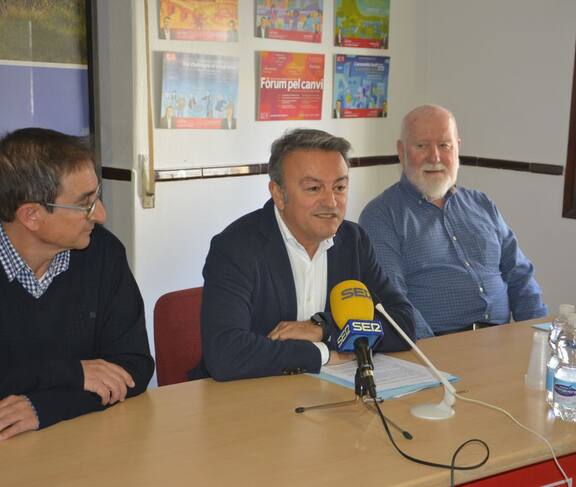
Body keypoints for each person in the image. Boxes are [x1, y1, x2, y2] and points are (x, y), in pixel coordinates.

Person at [190, 129, 416, 381]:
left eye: (339, 187)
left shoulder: (353, 241)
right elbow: (225, 353)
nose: (331, 202)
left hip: (329, 391)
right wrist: (323, 354)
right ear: (278, 194)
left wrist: (324, 329)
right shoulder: (236, 247)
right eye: (314, 188)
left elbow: (403, 324)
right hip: (249, 392)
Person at [0, 128, 154, 440]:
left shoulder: (104, 253)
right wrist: (75, 373)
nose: (101, 215)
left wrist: (47, 406)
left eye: (97, 196)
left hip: (87, 438)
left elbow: (134, 368)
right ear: (31, 215)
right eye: (85, 204)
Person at [359, 105, 547, 337]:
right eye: (422, 146)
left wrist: (539, 334)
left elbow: (520, 275)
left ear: (457, 148)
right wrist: (435, 351)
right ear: (401, 151)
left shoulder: (481, 204)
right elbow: (392, 300)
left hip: (501, 338)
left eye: (444, 145)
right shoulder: (381, 215)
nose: (434, 157)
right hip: (438, 344)